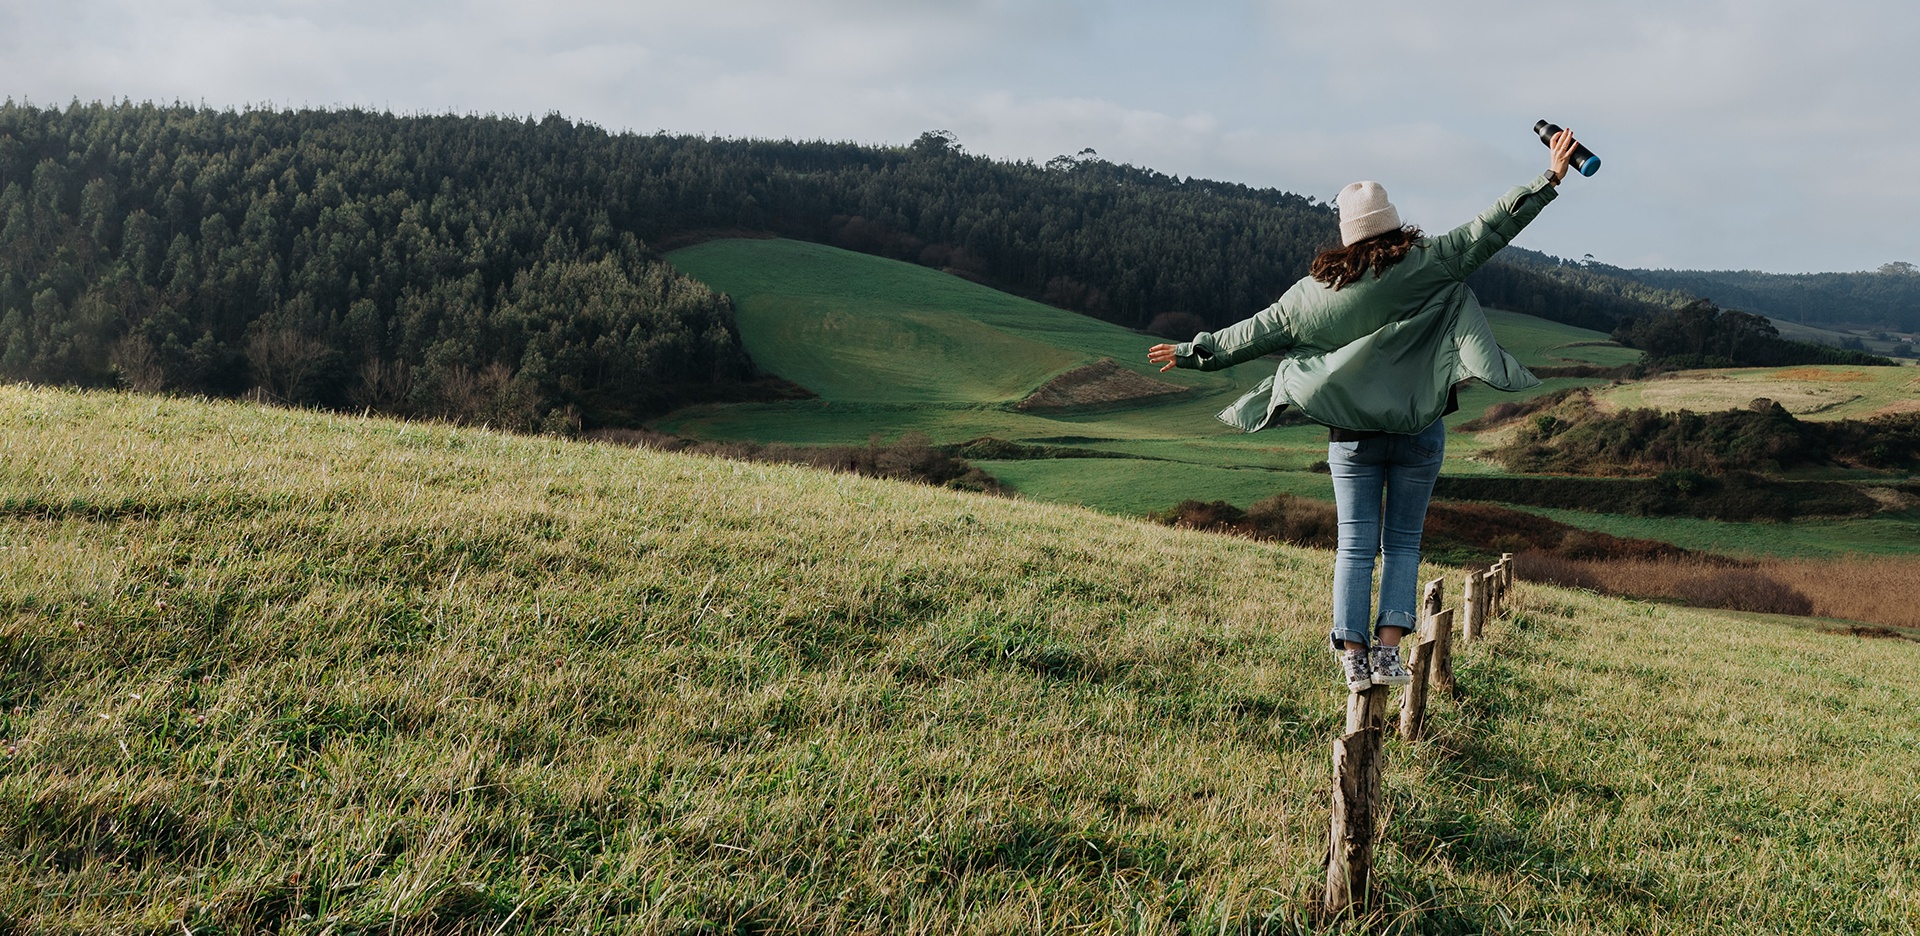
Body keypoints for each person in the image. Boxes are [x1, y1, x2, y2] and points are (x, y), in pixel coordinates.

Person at [1148, 129, 1583, 692]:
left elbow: (1245, 338)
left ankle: (1353, 658)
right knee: (1402, 542)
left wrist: (1189, 353)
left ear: (1346, 236)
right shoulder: (1430, 263)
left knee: (1354, 545)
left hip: (1350, 437)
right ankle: (1388, 654)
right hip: (1419, 430)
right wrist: (1549, 178)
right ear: (1394, 222)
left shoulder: (1310, 295)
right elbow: (1493, 226)